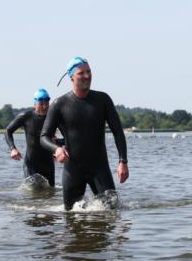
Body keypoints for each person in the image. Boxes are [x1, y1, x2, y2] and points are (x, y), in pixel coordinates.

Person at [41, 57, 128, 210]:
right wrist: (57, 149)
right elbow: (44, 137)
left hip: (100, 168)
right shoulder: (59, 104)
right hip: (73, 170)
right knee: (70, 216)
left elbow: (118, 132)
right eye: (81, 73)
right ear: (71, 77)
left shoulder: (103, 100)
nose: (87, 76)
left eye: (89, 71)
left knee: (112, 213)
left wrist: (123, 161)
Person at [5, 88, 64, 187]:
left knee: (50, 194)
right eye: (41, 104)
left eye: (46, 103)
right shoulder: (26, 116)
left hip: (48, 165)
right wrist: (13, 149)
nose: (45, 107)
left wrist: (58, 144)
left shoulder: (54, 117)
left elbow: (67, 137)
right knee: (32, 193)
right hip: (31, 165)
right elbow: (8, 131)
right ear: (35, 104)